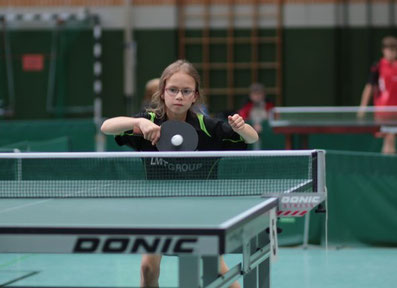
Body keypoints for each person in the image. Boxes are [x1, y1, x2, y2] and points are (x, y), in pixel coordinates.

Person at [101, 59, 258, 288]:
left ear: (195, 95)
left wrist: (241, 127)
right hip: (158, 210)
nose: (179, 96)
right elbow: (107, 127)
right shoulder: (149, 123)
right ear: (162, 92)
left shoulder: (208, 127)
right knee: (147, 269)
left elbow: (251, 138)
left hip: (199, 211)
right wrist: (138, 122)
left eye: (186, 91)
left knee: (218, 270)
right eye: (173, 90)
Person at [359, 36, 397, 154]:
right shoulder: (378, 66)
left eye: (394, 49)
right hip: (383, 111)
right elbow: (369, 87)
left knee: (390, 139)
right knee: (389, 138)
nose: (391, 52)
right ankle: (390, 168)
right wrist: (363, 107)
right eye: (388, 49)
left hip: (396, 110)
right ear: (383, 50)